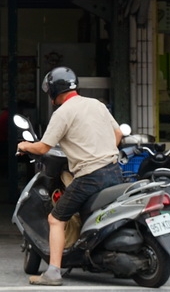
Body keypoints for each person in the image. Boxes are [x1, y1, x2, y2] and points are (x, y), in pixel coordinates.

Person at [16, 67, 123, 286]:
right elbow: (118, 134)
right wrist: (100, 151)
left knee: (56, 219)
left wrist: (25, 145)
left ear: (54, 90)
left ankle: (53, 273)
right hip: (114, 170)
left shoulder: (63, 113)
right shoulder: (96, 104)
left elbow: (44, 146)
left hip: (89, 177)